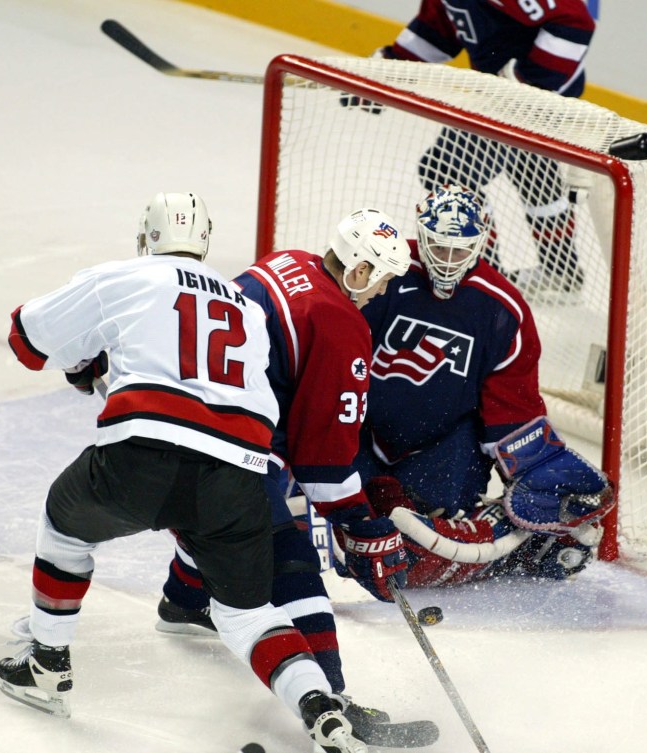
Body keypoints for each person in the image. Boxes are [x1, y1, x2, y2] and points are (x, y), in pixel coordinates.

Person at [0, 192, 368, 753]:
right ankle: (322, 712)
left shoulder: (124, 276)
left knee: (64, 525)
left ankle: (47, 665)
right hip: (240, 475)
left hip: (141, 459)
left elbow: (26, 339)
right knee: (248, 616)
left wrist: (84, 360)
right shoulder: (244, 302)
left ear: (145, 238)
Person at [154, 209, 437, 748]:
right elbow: (323, 462)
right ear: (357, 271)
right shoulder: (339, 322)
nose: (379, 294)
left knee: (228, 514)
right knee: (290, 556)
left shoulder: (283, 264)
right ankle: (332, 702)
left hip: (162, 424)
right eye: (379, 281)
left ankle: (185, 599)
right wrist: (358, 522)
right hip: (217, 450)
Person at [353, 184, 614, 587]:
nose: (447, 262)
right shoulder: (384, 274)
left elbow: (511, 410)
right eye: (439, 248)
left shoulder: (502, 308)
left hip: (444, 447)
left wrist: (535, 465)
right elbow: (336, 363)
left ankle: (515, 549)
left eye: (460, 251)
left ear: (480, 243)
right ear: (421, 236)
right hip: (363, 432)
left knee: (419, 553)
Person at [351, 0, 597, 289]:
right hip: (508, 94)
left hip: (533, 99)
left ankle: (481, 275)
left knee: (447, 169)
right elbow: (438, 32)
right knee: (531, 173)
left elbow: (574, 21)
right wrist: (390, 71)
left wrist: (527, 83)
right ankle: (561, 271)